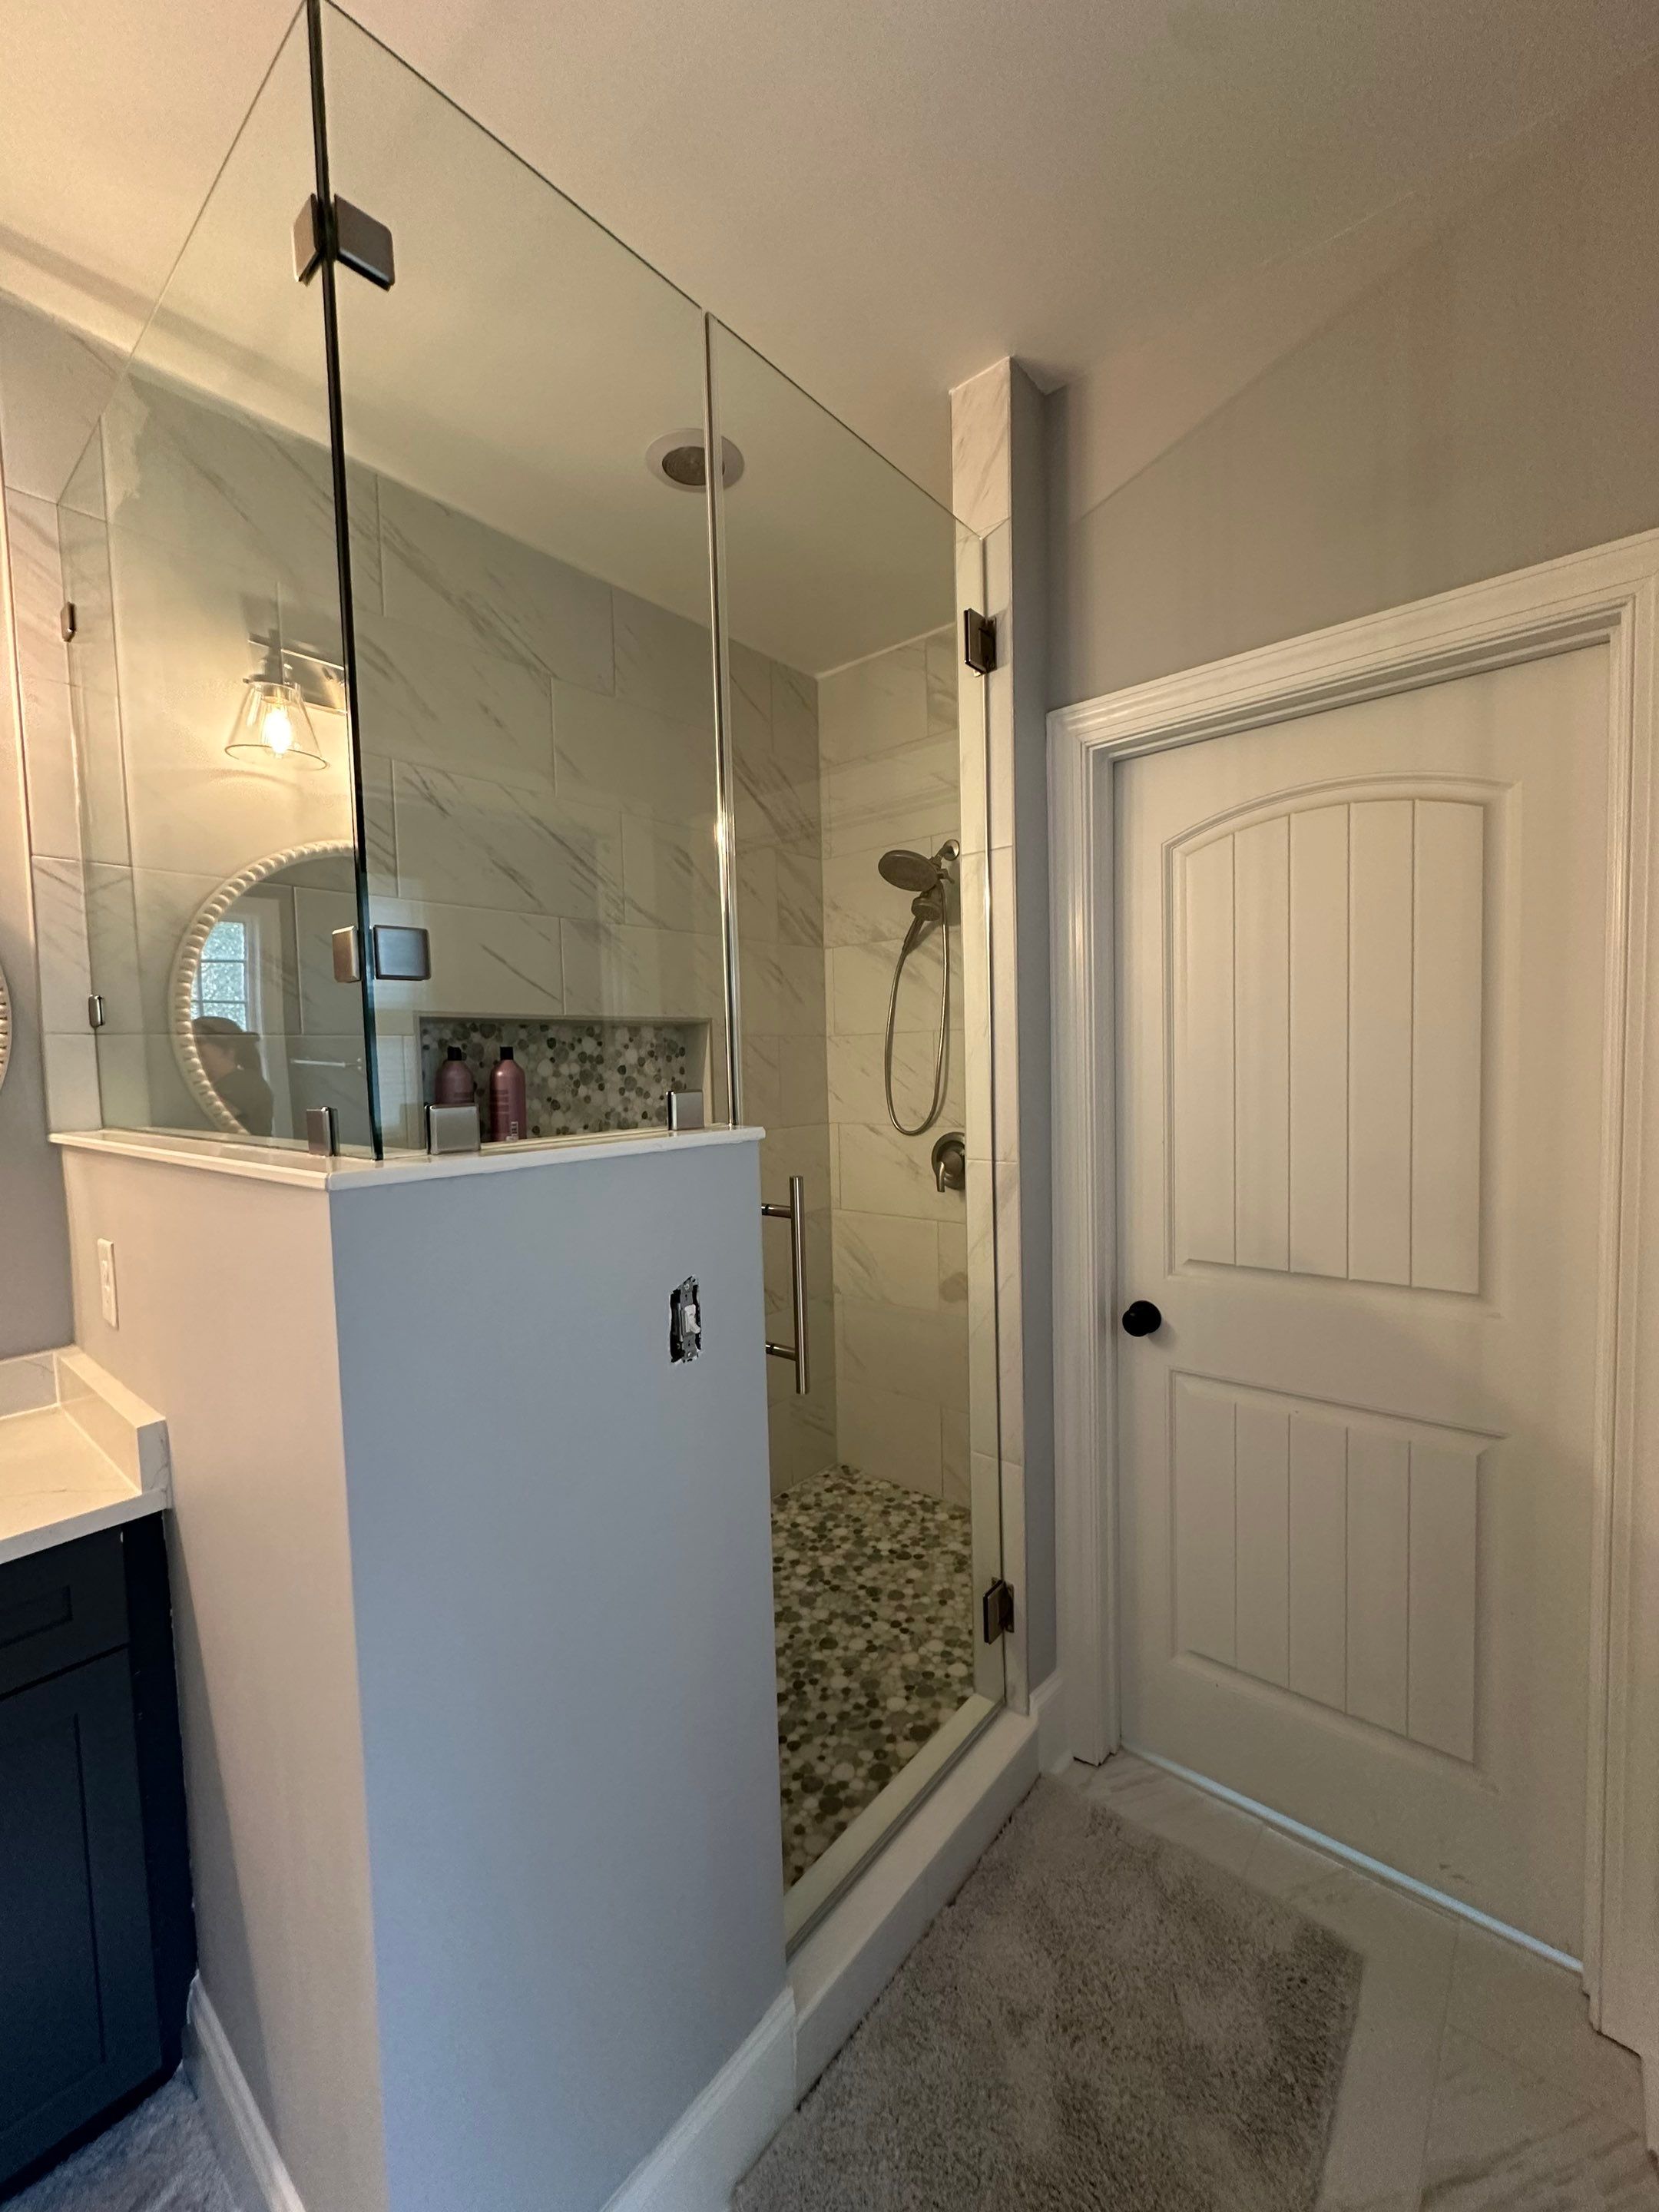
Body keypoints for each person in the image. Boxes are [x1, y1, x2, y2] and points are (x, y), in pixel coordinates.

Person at [192, 1016, 275, 1136]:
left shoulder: (246, 1084)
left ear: (228, 1049)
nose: (193, 1048)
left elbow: (205, 1116)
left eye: (199, 1042)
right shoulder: (219, 1083)